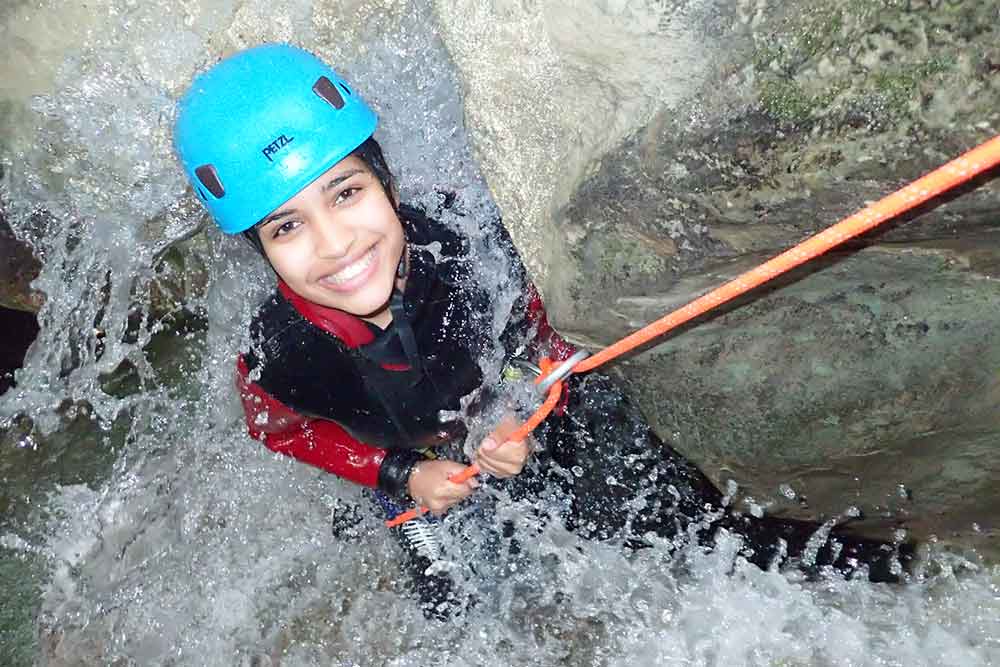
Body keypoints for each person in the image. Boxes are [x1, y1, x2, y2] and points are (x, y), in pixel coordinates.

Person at [173, 43, 912, 619]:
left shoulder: (470, 245)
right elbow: (279, 430)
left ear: (388, 186)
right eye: (287, 226)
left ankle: (897, 567)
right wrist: (398, 474)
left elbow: (544, 335)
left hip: (529, 414)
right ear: (261, 252)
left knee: (680, 528)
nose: (336, 244)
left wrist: (519, 406)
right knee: (460, 614)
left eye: (346, 191)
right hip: (420, 467)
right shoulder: (278, 354)